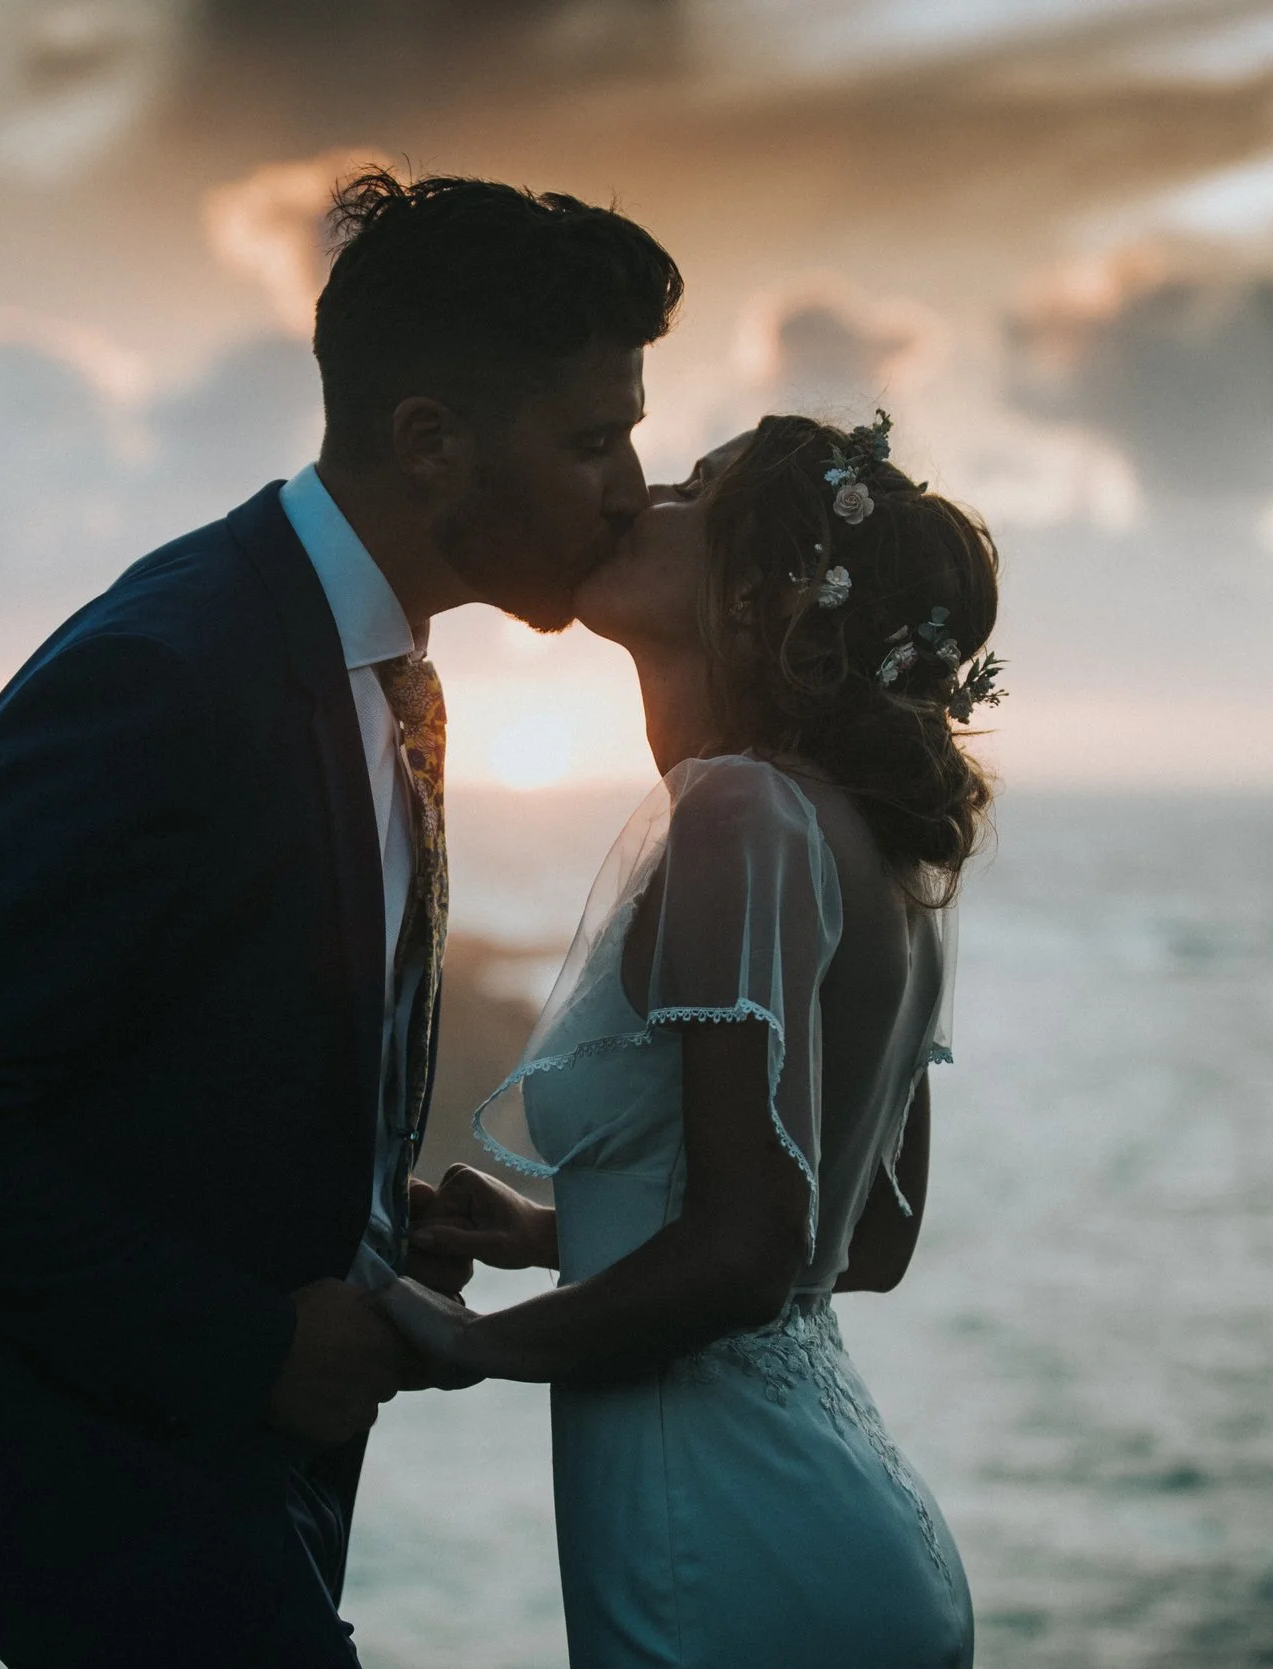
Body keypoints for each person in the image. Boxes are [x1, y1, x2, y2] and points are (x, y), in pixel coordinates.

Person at [0, 169, 680, 1668]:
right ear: (430, 439)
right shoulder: (169, 674)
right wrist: (257, 1345)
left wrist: (366, 1240)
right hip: (120, 1492)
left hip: (238, 1484)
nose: (630, 483)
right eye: (593, 438)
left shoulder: (378, 665)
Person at [391, 412, 999, 1669]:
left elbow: (751, 1249)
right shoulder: (883, 852)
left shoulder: (738, 811)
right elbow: (861, 1239)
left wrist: (462, 1339)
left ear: (759, 592)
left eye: (692, 491)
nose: (643, 494)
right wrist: (558, 1231)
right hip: (850, 1530)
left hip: (719, 1537)